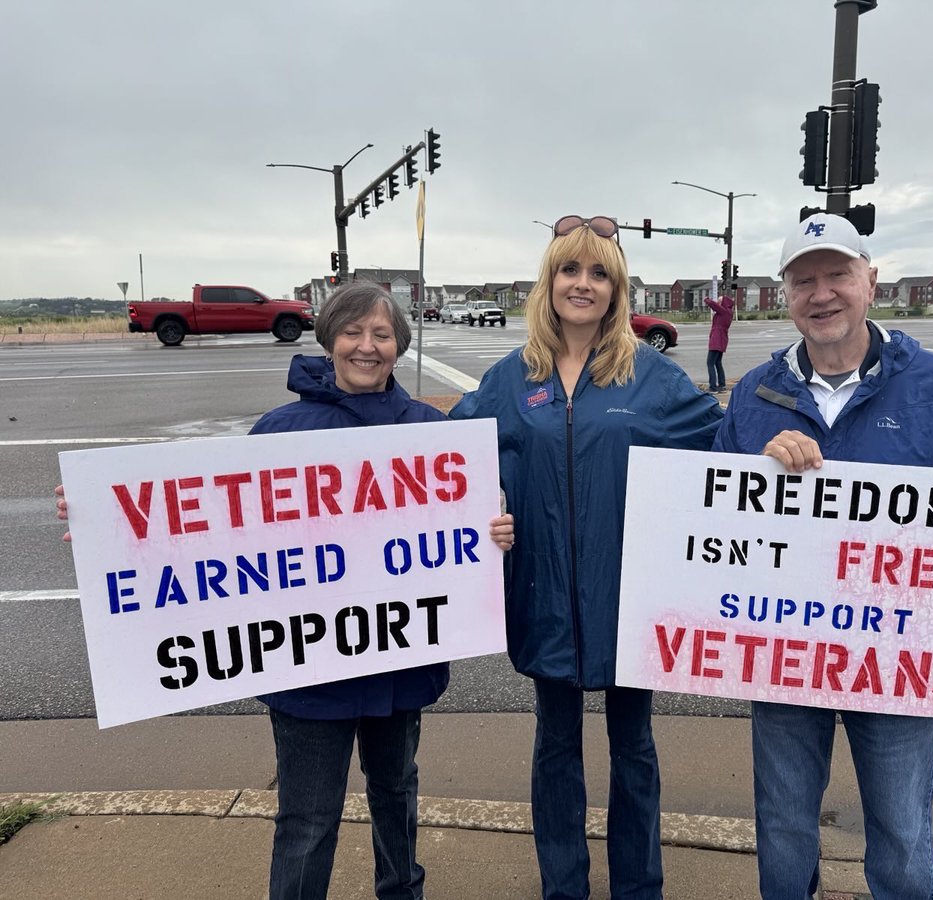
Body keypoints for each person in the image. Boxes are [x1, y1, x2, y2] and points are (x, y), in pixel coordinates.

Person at [57, 281, 514, 900]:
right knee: (308, 817)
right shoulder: (281, 431)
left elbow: (464, 529)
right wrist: (103, 518)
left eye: (382, 334)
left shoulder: (429, 430)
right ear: (328, 340)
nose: (367, 346)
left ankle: (402, 890)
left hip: (400, 663)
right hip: (310, 673)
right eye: (352, 332)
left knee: (397, 793)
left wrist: (495, 531)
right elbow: (217, 531)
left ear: (399, 346)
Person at [711, 213, 933, 900]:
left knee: (902, 831)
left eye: (837, 275)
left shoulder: (932, 383)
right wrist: (759, 469)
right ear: (786, 295)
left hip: (898, 654)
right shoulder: (755, 396)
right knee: (783, 827)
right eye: (803, 281)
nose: (821, 293)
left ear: (871, 281)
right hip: (787, 652)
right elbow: (710, 524)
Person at [450, 214, 723, 900]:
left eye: (600, 273)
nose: (584, 283)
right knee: (555, 749)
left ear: (617, 290)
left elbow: (726, 441)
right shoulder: (511, 379)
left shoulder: (652, 379)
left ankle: (638, 886)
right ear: (549, 282)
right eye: (570, 269)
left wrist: (781, 439)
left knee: (634, 748)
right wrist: (487, 519)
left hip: (628, 598)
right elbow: (446, 464)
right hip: (543, 597)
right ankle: (563, 886)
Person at [703, 292, 734, 392]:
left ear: (724, 303)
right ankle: (722, 384)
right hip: (722, 340)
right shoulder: (727, 312)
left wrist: (707, 299)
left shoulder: (724, 311)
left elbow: (714, 305)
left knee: (710, 363)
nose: (717, 303)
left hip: (717, 340)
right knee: (717, 362)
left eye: (719, 301)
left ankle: (713, 387)